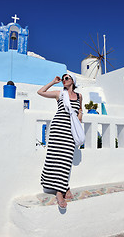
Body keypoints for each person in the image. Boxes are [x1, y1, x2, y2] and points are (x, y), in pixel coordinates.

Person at [37, 74, 83, 209]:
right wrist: (53, 81)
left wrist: (79, 116)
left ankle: (62, 187)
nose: (64, 80)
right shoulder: (59, 94)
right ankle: (60, 191)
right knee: (54, 158)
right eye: (63, 78)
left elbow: (80, 111)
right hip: (58, 129)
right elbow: (40, 92)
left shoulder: (79, 96)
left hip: (70, 130)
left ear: (73, 81)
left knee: (66, 160)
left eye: (67, 78)